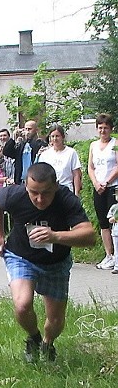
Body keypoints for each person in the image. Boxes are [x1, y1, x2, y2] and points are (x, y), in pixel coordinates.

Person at [0, 162, 95, 361]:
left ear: (55, 185)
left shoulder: (65, 199)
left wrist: (55, 236)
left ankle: (47, 343)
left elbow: (89, 236)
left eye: (45, 193)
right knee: (22, 304)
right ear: (25, 187)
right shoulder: (15, 195)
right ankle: (34, 339)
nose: (39, 199)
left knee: (55, 321)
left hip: (56, 262)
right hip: (21, 256)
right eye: (33, 192)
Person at [88, 113, 118, 271]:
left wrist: (106, 182)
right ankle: (109, 255)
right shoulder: (93, 145)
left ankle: (117, 256)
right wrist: (96, 183)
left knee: (114, 220)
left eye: (106, 128)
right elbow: (90, 167)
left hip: (113, 187)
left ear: (111, 129)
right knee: (103, 222)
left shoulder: (116, 144)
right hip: (98, 187)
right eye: (100, 128)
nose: (103, 131)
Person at [36, 124, 82, 196]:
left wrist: (76, 194)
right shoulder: (45, 155)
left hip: (67, 190)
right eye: (52, 136)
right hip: (50, 192)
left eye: (57, 136)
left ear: (62, 137)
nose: (55, 139)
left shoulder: (71, 153)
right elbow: (41, 175)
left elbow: (76, 174)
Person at [3, 120, 47, 184]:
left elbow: (35, 148)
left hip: (35, 181)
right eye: (25, 129)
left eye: (29, 129)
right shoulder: (21, 145)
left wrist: (28, 139)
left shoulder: (40, 143)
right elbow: (6, 152)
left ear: (36, 130)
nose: (27, 131)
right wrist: (13, 138)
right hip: (21, 181)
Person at [107, 189, 118, 275]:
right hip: (116, 232)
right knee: (116, 249)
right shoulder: (114, 207)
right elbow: (109, 219)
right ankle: (117, 266)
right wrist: (114, 219)